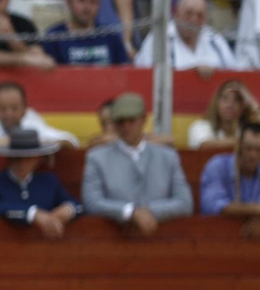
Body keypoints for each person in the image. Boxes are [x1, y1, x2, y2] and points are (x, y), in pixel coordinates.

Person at [81, 92, 192, 236]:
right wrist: (130, 212)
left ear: (143, 119)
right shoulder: (96, 157)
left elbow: (185, 203)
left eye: (131, 120)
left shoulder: (168, 157)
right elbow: (92, 202)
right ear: (114, 123)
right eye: (120, 121)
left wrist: (145, 212)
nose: (126, 126)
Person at [0, 128, 80, 240]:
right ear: (9, 158)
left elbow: (78, 205)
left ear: (37, 159)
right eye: (18, 159)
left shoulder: (49, 181)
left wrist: (68, 209)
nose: (23, 164)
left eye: (28, 158)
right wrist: (32, 214)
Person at [0, 81, 78, 179]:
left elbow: (70, 140)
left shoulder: (31, 119)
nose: (9, 114)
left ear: (25, 108)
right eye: (3, 108)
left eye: (14, 108)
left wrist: (46, 146)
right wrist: (27, 141)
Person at [135, 0, 240, 75]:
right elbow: (143, 75)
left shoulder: (215, 39)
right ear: (176, 13)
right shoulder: (159, 38)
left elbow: (234, 74)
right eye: (188, 13)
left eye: (200, 15)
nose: (194, 20)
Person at [41, 0, 130, 66]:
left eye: (92, 1)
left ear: (99, 4)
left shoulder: (111, 36)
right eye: (81, 0)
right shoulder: (53, 37)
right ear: (69, 1)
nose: (87, 7)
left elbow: (125, 72)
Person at [199, 121, 260, 238]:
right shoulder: (217, 166)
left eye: (259, 150)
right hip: (216, 240)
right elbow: (212, 205)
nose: (253, 155)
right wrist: (257, 210)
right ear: (239, 146)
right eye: (249, 148)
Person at [189, 79, 260, 150]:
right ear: (217, 103)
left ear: (244, 106)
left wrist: (253, 104)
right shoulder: (200, 126)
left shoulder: (248, 130)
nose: (230, 105)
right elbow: (205, 146)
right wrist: (249, 142)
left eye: (237, 100)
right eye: (225, 98)